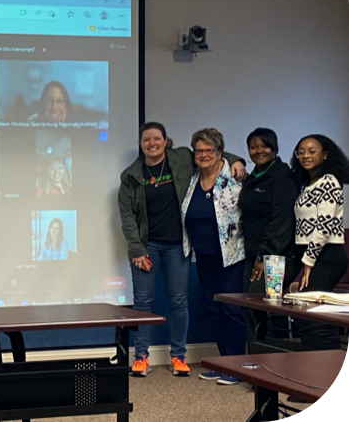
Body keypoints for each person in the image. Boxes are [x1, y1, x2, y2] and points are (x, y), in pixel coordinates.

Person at [118, 122, 245, 379]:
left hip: (178, 244)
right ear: (140, 144)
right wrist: (136, 248)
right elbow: (127, 215)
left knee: (179, 301)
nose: (152, 143)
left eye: (157, 138)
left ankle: (178, 356)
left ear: (166, 141)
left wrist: (238, 160)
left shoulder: (182, 159)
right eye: (146, 140)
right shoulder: (131, 174)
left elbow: (214, 154)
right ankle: (141, 357)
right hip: (147, 247)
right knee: (143, 302)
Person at [181, 128, 246, 386]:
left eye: (210, 150)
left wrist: (237, 160)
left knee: (231, 309)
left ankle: (237, 366)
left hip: (230, 256)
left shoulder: (234, 176)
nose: (204, 155)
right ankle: (223, 363)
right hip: (203, 255)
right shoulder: (192, 177)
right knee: (213, 309)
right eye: (199, 150)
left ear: (220, 152)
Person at [236, 128, 300, 348]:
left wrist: (264, 255)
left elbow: (281, 221)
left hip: (277, 258)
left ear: (274, 149)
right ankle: (255, 362)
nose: (258, 150)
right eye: (253, 146)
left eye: (264, 146)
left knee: (263, 305)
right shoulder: (253, 177)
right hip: (253, 253)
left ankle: (274, 364)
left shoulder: (282, 177)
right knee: (249, 306)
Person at [289, 134, 348, 349]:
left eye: (312, 151)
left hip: (327, 255)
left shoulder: (329, 182)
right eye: (301, 151)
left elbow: (323, 227)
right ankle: (312, 371)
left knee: (316, 318)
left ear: (325, 155)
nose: (306, 155)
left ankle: (335, 378)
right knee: (308, 316)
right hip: (313, 255)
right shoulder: (309, 183)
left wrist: (308, 262)